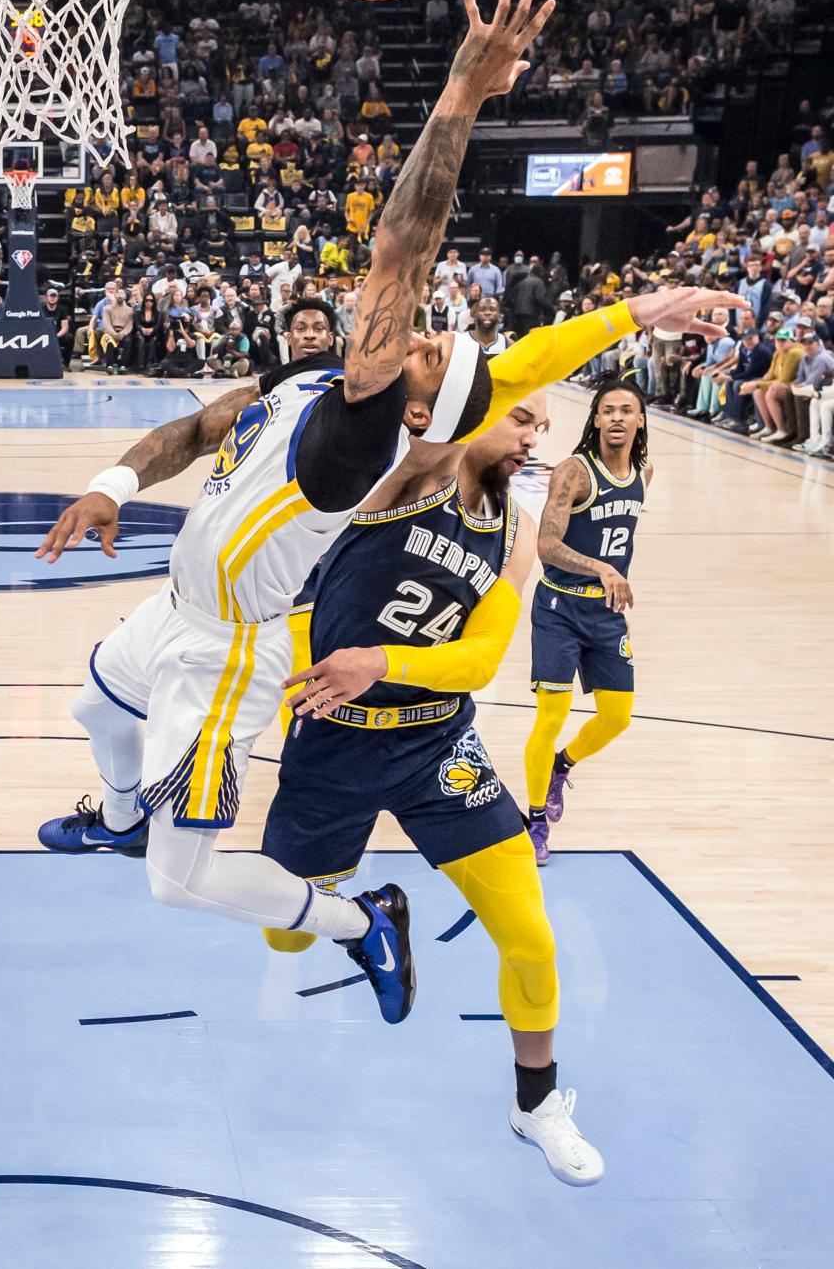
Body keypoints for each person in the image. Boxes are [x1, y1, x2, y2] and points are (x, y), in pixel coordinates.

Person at [34, 0, 741, 1018]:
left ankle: (366, 923)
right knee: (97, 701)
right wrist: (110, 484)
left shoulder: (358, 430)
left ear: (414, 409)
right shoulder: (310, 381)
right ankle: (126, 809)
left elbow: (403, 245)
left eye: (427, 348)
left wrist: (460, 94)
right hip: (169, 609)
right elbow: (193, 429)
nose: (416, 331)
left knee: (180, 881)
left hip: (224, 643)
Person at [264, 393, 604, 1184]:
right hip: (332, 744)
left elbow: (483, 661)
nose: (534, 439)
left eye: (542, 427)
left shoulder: (516, 530)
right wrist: (630, 316)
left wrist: (380, 662)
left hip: (437, 744)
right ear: (478, 407)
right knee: (281, 934)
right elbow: (487, 380)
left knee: (529, 934)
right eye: (522, 418)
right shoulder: (410, 477)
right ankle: (369, 920)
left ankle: (537, 1102)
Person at [523, 378, 654, 865]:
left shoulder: (645, 471)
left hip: (606, 613)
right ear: (595, 419)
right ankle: (535, 819)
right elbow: (546, 547)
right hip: (558, 607)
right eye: (608, 410)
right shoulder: (573, 472)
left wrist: (610, 577)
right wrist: (603, 568)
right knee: (551, 716)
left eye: (627, 410)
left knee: (617, 717)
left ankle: (563, 765)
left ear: (640, 420)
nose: (617, 417)